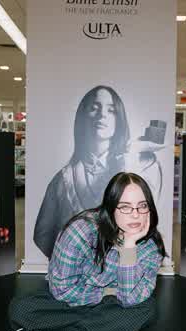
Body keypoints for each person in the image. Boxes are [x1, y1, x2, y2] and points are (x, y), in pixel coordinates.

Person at [9, 172, 166, 331]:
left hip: (114, 306)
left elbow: (129, 299)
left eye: (142, 206)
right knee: (21, 309)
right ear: (110, 207)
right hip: (74, 303)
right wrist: (106, 293)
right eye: (125, 207)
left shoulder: (150, 247)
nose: (135, 215)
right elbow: (62, 290)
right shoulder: (81, 231)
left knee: (148, 310)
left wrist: (129, 247)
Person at [34, 85, 163, 258]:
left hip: (126, 265)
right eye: (94, 108)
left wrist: (126, 261)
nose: (102, 115)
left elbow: (145, 224)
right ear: (83, 117)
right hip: (80, 272)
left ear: (119, 119)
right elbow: (43, 235)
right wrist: (71, 262)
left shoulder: (142, 166)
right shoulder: (63, 180)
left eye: (111, 110)